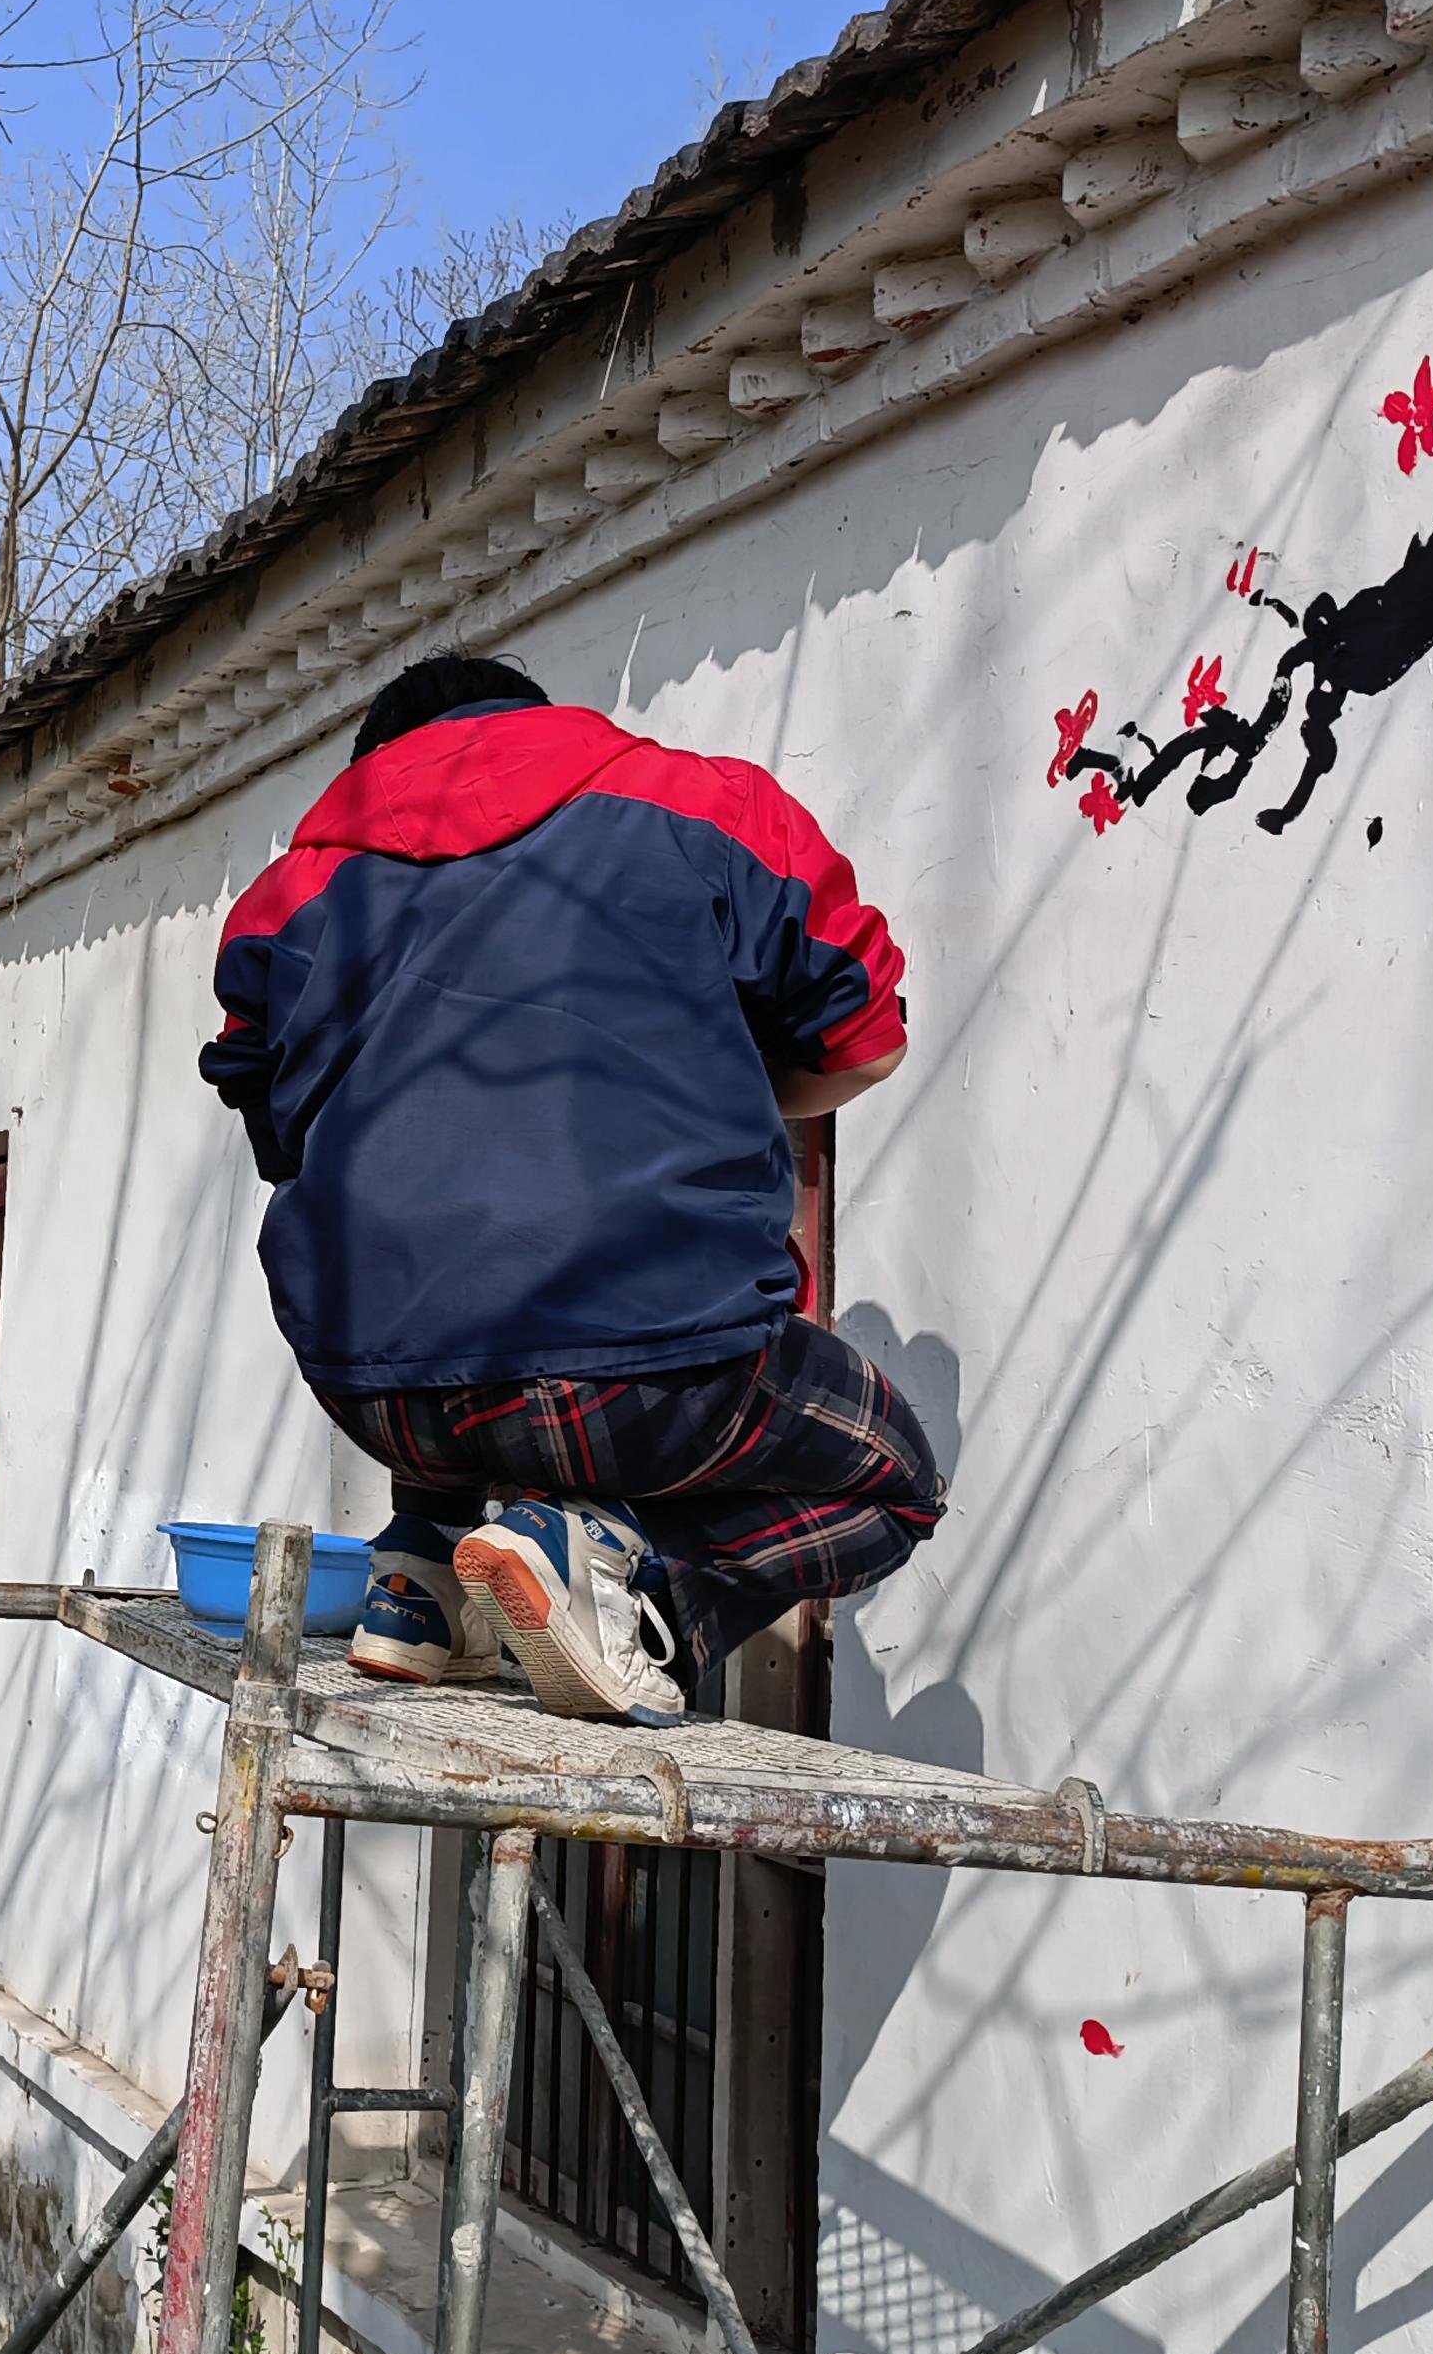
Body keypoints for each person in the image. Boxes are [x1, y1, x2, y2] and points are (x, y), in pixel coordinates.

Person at [199, 654, 947, 1722]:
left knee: (432, 1243)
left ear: (375, 769)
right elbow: (864, 1039)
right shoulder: (702, 809)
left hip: (377, 1399)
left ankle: (420, 1580)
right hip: (642, 1380)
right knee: (891, 1476)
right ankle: (636, 1578)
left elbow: (275, 1121)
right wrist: (721, 1073)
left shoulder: (291, 897)